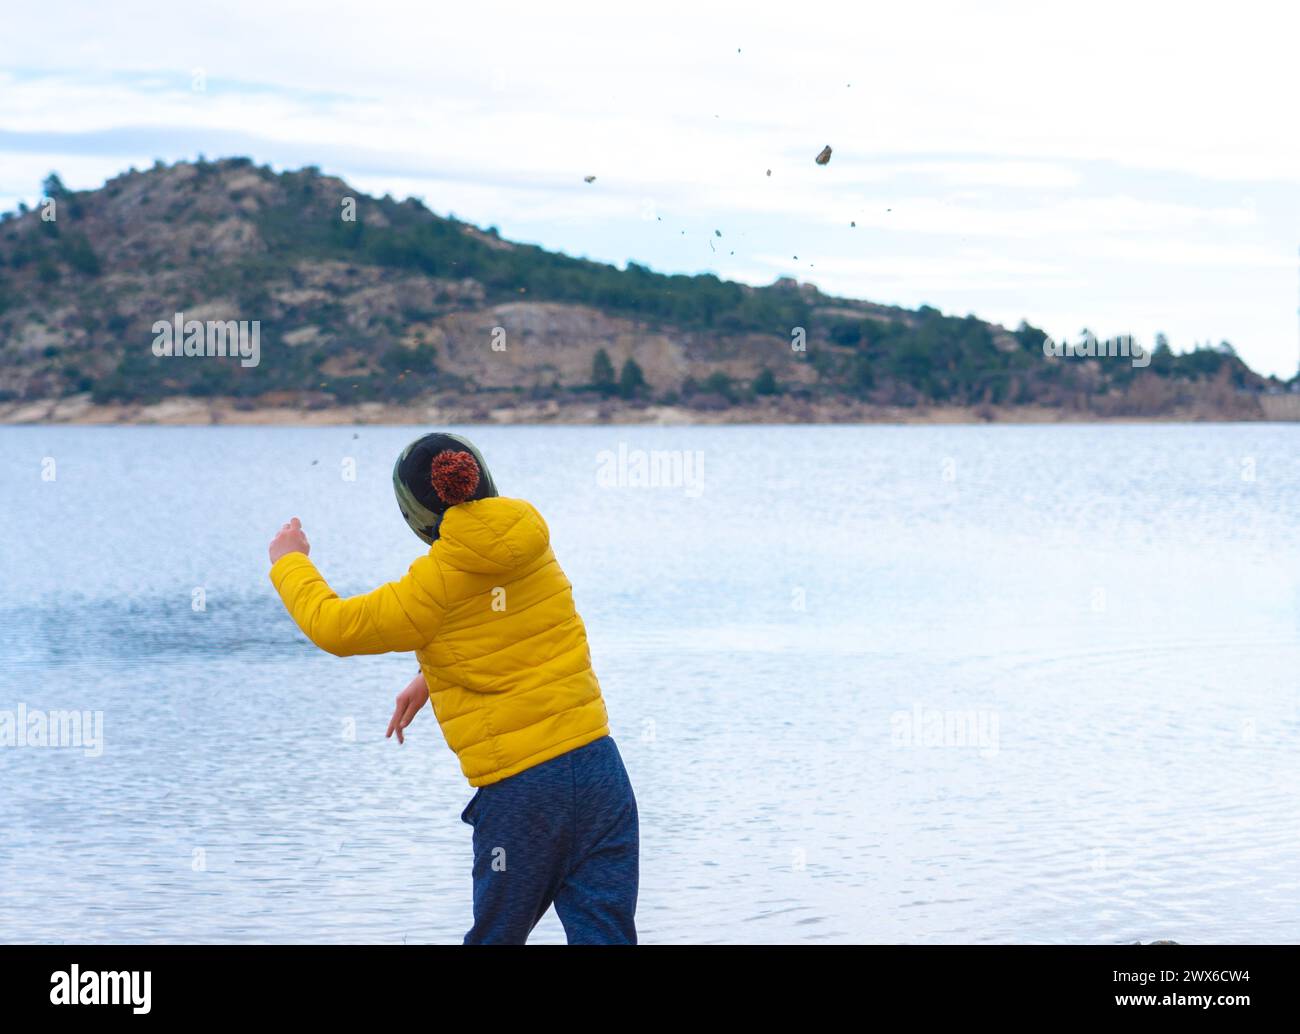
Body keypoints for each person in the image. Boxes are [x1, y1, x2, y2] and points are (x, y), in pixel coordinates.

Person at [266, 432, 639, 944]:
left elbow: (335, 626)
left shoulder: (433, 585)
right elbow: (516, 629)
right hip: (599, 771)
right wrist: (431, 675)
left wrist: (290, 561)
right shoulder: (530, 541)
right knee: (605, 934)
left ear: (415, 512)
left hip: (523, 790)